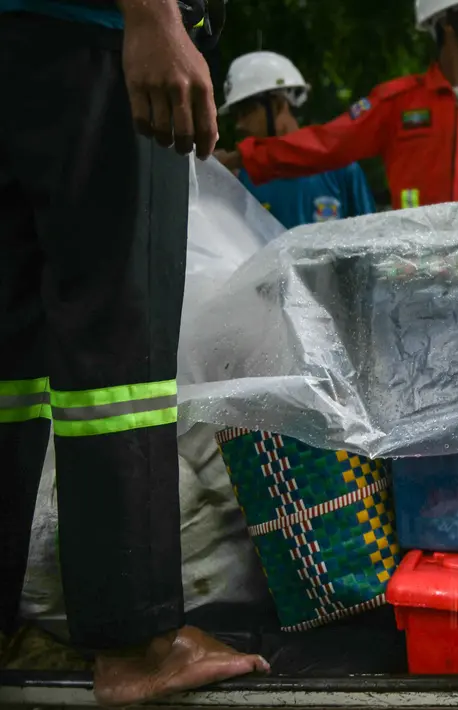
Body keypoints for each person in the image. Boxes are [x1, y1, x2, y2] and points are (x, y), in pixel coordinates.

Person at [0, 0, 268, 704]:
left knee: (10, 367)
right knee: (120, 355)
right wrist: (153, 17)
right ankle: (136, 640)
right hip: (90, 37)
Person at [215, 0, 458, 210]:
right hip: (417, 285)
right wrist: (245, 155)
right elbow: (325, 144)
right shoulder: (396, 103)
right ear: (448, 20)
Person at [220, 51, 376, 228]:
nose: (239, 124)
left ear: (278, 104)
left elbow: (373, 243)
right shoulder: (241, 180)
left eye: (247, 110)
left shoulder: (341, 169)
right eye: (236, 115)